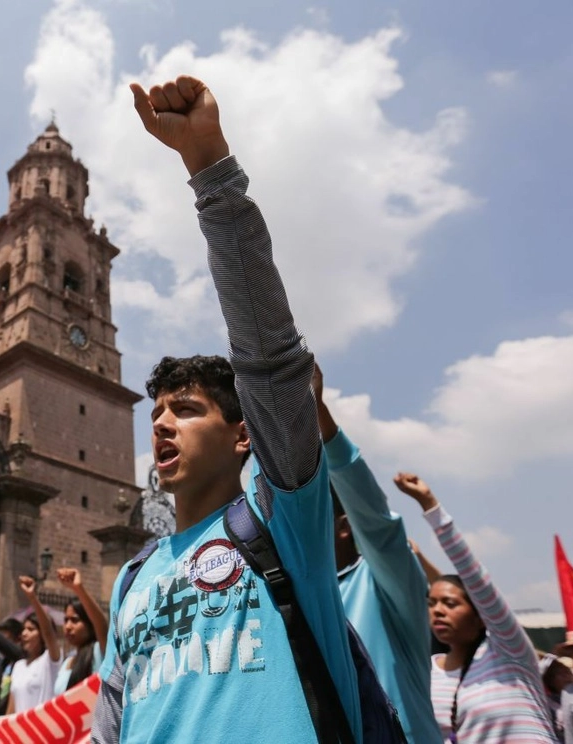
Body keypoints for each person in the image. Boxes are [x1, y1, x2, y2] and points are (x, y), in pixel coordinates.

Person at [92, 75, 362, 744]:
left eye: (184, 409)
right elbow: (107, 728)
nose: (159, 423)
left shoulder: (282, 522)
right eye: (155, 412)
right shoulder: (131, 580)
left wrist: (208, 169)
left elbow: (269, 361)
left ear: (245, 436)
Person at [313, 365, 440, 744]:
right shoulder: (296, 595)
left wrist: (321, 419)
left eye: (314, 514)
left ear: (344, 525)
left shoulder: (383, 582)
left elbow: (377, 523)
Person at [396, 472, 557, 742]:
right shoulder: (428, 674)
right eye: (432, 604)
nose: (437, 611)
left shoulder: (510, 652)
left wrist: (430, 507)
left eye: (450, 603)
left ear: (482, 615)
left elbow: (475, 577)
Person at [7, 576, 61, 714]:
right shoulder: (18, 666)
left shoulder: (50, 661)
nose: (24, 634)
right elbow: (11, 710)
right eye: (23, 629)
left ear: (41, 635)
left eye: (31, 629)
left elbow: (49, 633)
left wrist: (33, 598)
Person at [54, 567, 107, 694]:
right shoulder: (67, 662)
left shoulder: (99, 652)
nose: (68, 626)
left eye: (75, 620)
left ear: (90, 624)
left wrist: (79, 589)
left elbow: (103, 626)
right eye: (66, 620)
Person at [536, 652, 573, 739]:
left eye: (567, 671)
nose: (567, 676)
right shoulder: (545, 705)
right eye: (560, 673)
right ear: (550, 680)